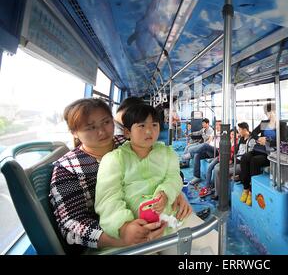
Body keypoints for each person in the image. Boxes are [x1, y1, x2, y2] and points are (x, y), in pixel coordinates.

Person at [49, 98, 192, 252]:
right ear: (74, 132)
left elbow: (166, 172)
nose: (102, 131)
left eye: (106, 122)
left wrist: (174, 194)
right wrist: (124, 237)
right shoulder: (67, 169)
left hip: (159, 219)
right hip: (113, 238)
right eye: (91, 127)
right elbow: (71, 226)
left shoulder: (130, 141)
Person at [239, 102, 287, 206]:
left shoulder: (281, 124)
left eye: (270, 112)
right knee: (245, 158)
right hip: (260, 149)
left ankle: (252, 191)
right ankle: (246, 188)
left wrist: (268, 141)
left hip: (271, 153)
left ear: (275, 112)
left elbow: (283, 141)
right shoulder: (264, 123)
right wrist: (259, 138)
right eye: (267, 112)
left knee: (254, 161)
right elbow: (253, 133)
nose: (268, 114)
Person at [209, 122, 256, 200]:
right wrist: (230, 159)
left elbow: (249, 156)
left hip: (242, 165)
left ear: (245, 130)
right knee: (216, 169)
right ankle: (218, 191)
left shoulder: (251, 140)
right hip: (235, 162)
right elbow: (236, 151)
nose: (239, 131)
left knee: (221, 171)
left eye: (240, 130)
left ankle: (220, 194)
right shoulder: (241, 139)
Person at [198, 129, 236, 198]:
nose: (232, 136)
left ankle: (214, 189)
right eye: (231, 134)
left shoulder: (236, 143)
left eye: (234, 134)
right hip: (220, 157)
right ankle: (207, 187)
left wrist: (230, 159)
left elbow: (233, 154)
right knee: (210, 167)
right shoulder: (227, 140)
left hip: (227, 159)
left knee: (216, 169)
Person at [189, 120, 222, 185]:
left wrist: (204, 145)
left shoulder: (223, 133)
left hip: (217, 151)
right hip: (210, 149)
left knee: (204, 145)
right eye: (216, 125)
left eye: (219, 125)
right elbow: (209, 141)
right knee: (197, 155)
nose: (217, 126)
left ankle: (190, 151)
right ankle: (197, 177)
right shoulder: (214, 132)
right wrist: (202, 145)